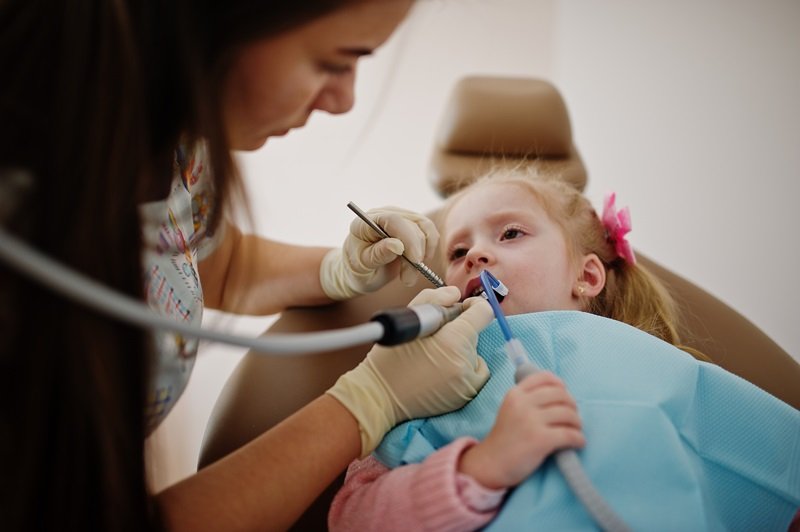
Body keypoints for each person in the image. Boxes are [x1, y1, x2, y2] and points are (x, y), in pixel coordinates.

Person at [0, 1, 496, 531]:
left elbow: (211, 264)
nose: (344, 101)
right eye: (333, 63)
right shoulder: (22, 249)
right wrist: (369, 404)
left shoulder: (172, 140)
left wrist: (336, 270)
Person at [328, 171, 800, 531]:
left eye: (510, 233)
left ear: (587, 277)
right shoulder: (417, 386)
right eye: (456, 253)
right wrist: (482, 467)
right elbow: (351, 517)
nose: (474, 256)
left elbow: (772, 466)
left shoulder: (657, 362)